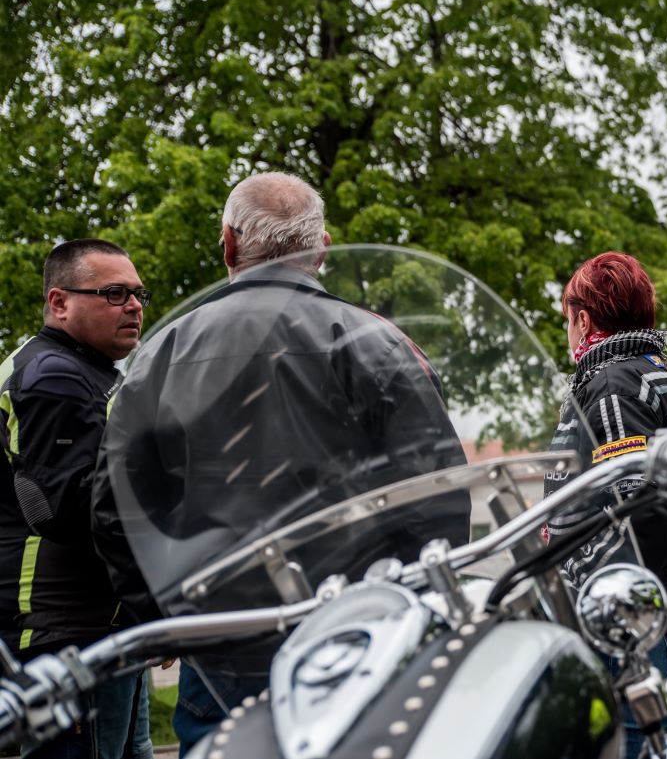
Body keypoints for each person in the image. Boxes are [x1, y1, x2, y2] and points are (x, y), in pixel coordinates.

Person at [91, 173, 469, 755]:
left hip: (219, 642)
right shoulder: (380, 342)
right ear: (322, 249)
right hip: (358, 639)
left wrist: (165, 617)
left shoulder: (160, 353)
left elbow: (115, 506)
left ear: (228, 244)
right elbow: (438, 498)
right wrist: (413, 613)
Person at [544, 252, 667, 758]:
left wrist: (609, 603)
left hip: (643, 622)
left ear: (583, 319)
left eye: (567, 319)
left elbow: (644, 511)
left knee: (641, 746)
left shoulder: (612, 383)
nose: (568, 332)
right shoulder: (648, 371)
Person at [0, 239, 152, 758]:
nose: (133, 306)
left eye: (139, 294)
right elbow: (63, 508)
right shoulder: (54, 376)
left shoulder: (82, 370)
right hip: (64, 629)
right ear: (59, 302)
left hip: (96, 623)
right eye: (114, 293)